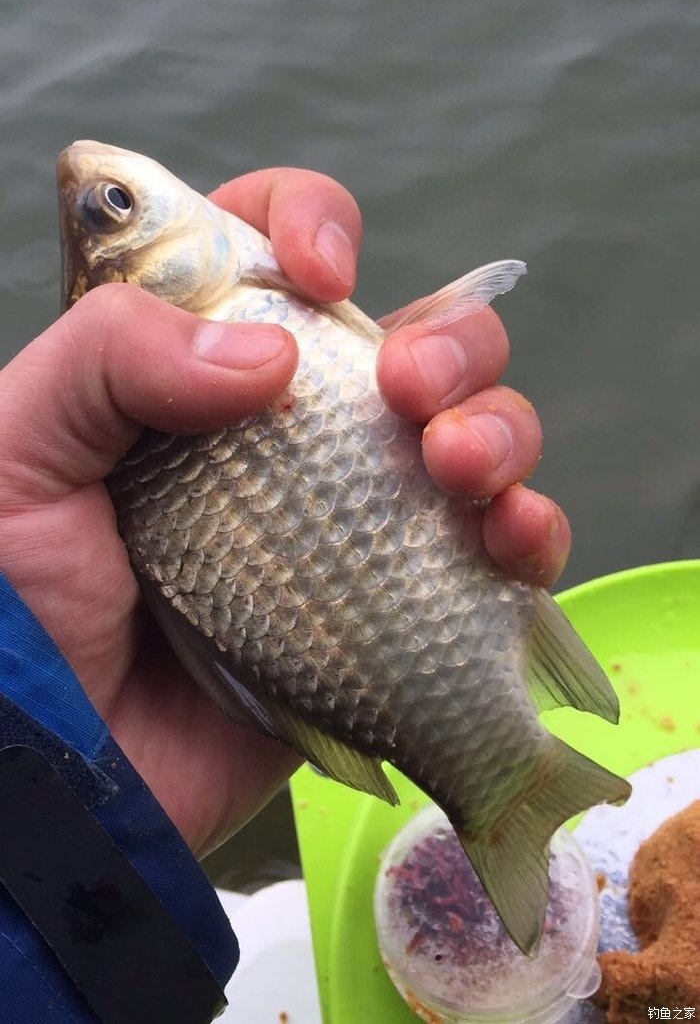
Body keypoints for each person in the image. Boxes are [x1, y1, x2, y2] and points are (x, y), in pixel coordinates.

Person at [0, 166, 570, 1022]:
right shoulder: (227, 305)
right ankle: (504, 782)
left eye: (110, 209)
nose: (104, 191)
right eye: (113, 211)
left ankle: (502, 771)